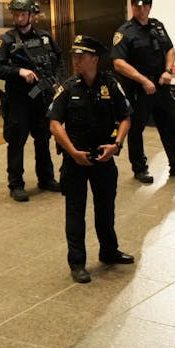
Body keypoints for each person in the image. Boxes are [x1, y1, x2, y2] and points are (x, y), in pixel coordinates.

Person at [48, 35, 136, 284]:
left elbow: (126, 117)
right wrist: (72, 152)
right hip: (76, 160)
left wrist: (116, 145)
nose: (76, 60)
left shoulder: (110, 84)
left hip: (103, 157)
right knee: (75, 212)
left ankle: (109, 251)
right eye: (74, 56)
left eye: (81, 56)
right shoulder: (68, 87)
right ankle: (77, 263)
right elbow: (55, 124)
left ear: (95, 59)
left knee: (105, 208)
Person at [113, 0, 175, 179]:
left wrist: (168, 71)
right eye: (137, 5)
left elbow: (169, 49)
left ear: (150, 6)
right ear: (132, 7)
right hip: (139, 90)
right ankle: (140, 169)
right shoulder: (124, 32)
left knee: (170, 125)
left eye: (145, 5)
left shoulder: (157, 26)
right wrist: (143, 80)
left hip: (161, 86)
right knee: (136, 130)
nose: (141, 9)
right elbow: (118, 63)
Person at [0, 0, 63, 202]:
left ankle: (46, 178)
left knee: (43, 139)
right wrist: (19, 71)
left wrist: (56, 81)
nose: (19, 18)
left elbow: (58, 59)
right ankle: (16, 184)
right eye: (16, 14)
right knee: (16, 141)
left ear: (32, 15)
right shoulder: (7, 40)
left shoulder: (45, 38)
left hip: (42, 98)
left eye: (23, 14)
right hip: (19, 100)